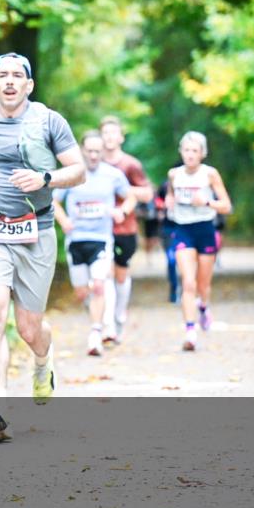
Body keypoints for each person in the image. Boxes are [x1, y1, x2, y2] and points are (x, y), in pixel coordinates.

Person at [0, 52, 84, 442]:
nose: (9, 81)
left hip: (36, 233)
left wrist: (45, 178)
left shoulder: (49, 121)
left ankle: (43, 362)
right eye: (2, 76)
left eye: (17, 76)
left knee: (28, 329)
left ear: (29, 85)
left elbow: (77, 170)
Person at [53, 130, 136, 356]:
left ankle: (96, 332)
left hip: (101, 239)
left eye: (97, 151)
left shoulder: (113, 174)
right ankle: (98, 318)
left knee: (99, 284)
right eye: (89, 151)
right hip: (76, 240)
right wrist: (64, 221)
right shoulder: (71, 175)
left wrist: (122, 211)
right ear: (82, 150)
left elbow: (130, 196)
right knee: (82, 292)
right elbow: (54, 203)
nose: (93, 155)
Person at [165, 132, 232, 351]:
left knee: (203, 284)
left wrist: (208, 202)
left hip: (205, 230)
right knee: (188, 283)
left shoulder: (210, 174)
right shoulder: (174, 175)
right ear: (180, 152)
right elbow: (170, 194)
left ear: (202, 153)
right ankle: (190, 331)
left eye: (195, 151)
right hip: (183, 230)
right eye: (186, 150)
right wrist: (169, 201)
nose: (190, 155)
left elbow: (227, 206)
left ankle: (203, 307)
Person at [99, 116, 153, 343]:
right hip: (98, 229)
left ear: (121, 137)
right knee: (105, 275)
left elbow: (147, 194)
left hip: (125, 228)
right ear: (100, 136)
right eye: (105, 133)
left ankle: (119, 315)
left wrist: (121, 188)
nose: (110, 137)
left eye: (114, 132)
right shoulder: (92, 162)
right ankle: (107, 324)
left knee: (120, 275)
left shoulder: (130, 164)